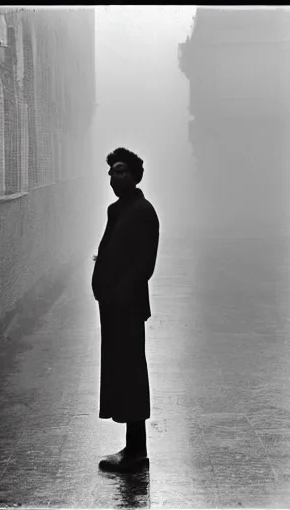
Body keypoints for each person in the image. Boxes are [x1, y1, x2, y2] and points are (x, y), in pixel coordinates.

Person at [91, 147, 160, 472]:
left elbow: (144, 264)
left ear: (134, 176)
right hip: (113, 308)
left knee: (132, 373)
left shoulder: (144, 211)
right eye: (111, 172)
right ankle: (132, 446)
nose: (113, 177)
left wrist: (119, 294)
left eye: (119, 171)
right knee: (120, 372)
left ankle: (137, 450)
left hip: (128, 307)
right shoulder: (116, 210)